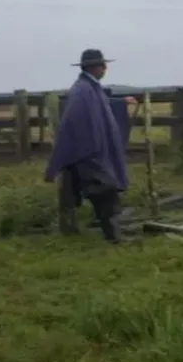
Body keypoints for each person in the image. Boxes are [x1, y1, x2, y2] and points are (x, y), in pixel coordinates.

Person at [44, 49, 136, 244]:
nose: (105, 69)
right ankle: (113, 237)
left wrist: (120, 103)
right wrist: (89, 146)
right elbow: (74, 120)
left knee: (104, 191)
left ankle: (112, 234)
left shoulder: (90, 87)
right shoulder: (82, 90)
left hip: (95, 150)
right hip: (90, 152)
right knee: (105, 190)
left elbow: (101, 105)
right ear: (95, 67)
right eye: (102, 66)